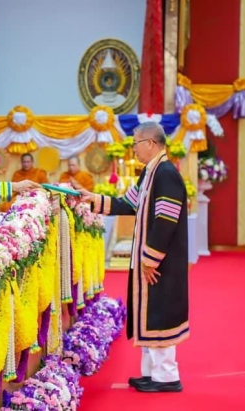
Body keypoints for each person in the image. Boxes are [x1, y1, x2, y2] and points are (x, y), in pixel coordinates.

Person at [79, 122, 188, 393]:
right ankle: (152, 373)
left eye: (135, 144)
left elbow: (166, 220)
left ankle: (167, 377)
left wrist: (150, 259)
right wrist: (92, 198)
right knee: (151, 313)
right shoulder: (150, 173)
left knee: (161, 313)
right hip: (153, 261)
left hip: (162, 262)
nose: (133, 150)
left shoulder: (166, 174)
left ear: (150, 143)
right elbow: (127, 204)